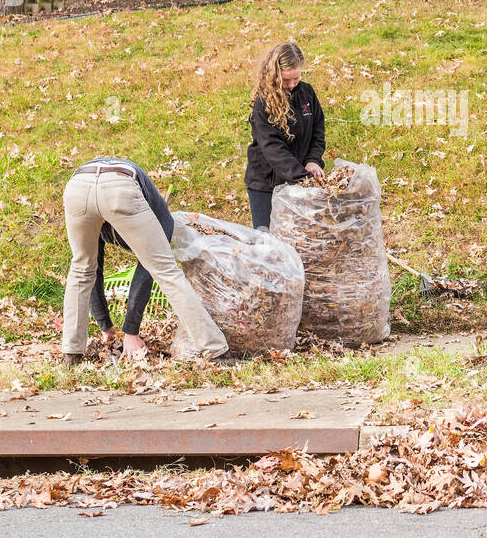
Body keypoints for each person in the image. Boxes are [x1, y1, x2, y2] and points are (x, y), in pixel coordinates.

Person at [61, 157, 228, 366]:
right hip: (119, 187)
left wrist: (129, 328)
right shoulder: (161, 216)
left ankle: (71, 354)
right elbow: (151, 268)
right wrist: (110, 328)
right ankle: (215, 350)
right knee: (167, 272)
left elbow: (93, 272)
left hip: (78, 187)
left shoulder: (159, 216)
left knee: (81, 270)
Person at [245, 42, 326, 231]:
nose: (291, 85)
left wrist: (313, 160)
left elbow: (318, 131)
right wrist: (304, 178)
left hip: (299, 181)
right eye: (285, 80)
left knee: (300, 238)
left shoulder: (307, 93)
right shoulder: (263, 103)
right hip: (266, 184)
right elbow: (273, 149)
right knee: (267, 240)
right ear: (275, 75)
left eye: (295, 78)